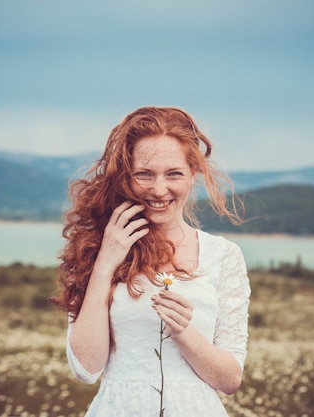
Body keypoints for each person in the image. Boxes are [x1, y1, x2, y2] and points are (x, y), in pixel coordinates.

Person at [51, 106, 251, 417]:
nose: (159, 190)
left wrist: (184, 331)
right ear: (125, 178)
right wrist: (106, 261)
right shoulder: (94, 247)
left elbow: (229, 379)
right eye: (144, 174)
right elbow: (86, 368)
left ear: (193, 175)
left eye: (174, 174)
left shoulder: (224, 256)